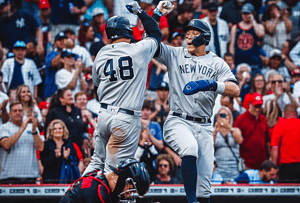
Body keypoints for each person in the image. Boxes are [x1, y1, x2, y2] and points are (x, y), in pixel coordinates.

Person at [154, 16, 240, 203]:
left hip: (204, 126)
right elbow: (151, 43)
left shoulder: (217, 62)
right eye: (187, 34)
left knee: (205, 189)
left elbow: (235, 89)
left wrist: (211, 84)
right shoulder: (174, 54)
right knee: (190, 148)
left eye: (194, 34)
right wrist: (155, 15)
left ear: (205, 38)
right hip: (179, 119)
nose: (189, 38)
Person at [84, 1, 166, 176]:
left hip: (104, 115)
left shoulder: (102, 53)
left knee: (96, 162)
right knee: (114, 171)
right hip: (125, 119)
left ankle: (74, 195)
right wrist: (141, 12)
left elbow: (97, 85)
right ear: (128, 32)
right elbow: (155, 34)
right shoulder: (138, 50)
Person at [59, 158, 150, 203]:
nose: (128, 195)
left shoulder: (101, 179)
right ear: (123, 180)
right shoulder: (97, 192)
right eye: (130, 190)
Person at [0, 102, 44, 184]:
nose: (17, 113)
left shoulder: (32, 127)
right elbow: (6, 145)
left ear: (23, 113)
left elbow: (40, 147)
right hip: (9, 176)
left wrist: (34, 131)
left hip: (31, 175)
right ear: (10, 113)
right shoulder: (3, 128)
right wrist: (22, 128)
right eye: (15, 111)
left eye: (20, 110)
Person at [40, 119, 84, 183]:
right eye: (55, 129)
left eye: (60, 128)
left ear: (63, 130)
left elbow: (75, 160)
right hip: (50, 179)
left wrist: (67, 157)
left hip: (68, 179)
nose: (58, 130)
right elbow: (44, 162)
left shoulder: (69, 143)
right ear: (51, 131)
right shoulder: (46, 144)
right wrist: (55, 157)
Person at [234, 93, 270, 170]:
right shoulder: (241, 119)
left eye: (259, 106)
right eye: (255, 106)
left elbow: (267, 141)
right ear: (250, 105)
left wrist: (269, 158)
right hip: (247, 163)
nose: (257, 109)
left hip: (262, 164)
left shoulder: (263, 119)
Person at [229, 3, 265, 70]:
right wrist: (232, 61)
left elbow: (260, 34)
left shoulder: (258, 26)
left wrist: (253, 21)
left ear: (252, 13)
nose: (245, 16)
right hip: (239, 61)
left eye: (247, 13)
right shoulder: (236, 27)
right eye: (244, 14)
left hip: (254, 62)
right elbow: (232, 45)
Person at [271, 104, 300, 183]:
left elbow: (274, 148)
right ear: (296, 114)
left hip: (285, 167)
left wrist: (274, 168)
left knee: (285, 192)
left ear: (284, 113)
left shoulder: (279, 126)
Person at [213, 106, 243, 181]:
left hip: (234, 170)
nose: (223, 117)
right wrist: (215, 132)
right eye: (221, 115)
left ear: (230, 117)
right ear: (217, 117)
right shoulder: (214, 131)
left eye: (225, 115)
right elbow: (210, 147)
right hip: (219, 171)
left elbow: (240, 140)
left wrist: (229, 127)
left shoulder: (235, 130)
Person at [44, 32, 68, 100]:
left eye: (64, 40)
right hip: (52, 91)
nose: (62, 42)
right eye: (59, 40)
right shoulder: (51, 54)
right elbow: (53, 63)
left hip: (66, 91)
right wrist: (64, 50)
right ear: (55, 43)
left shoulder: (71, 54)